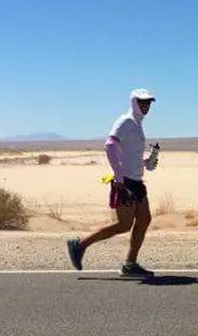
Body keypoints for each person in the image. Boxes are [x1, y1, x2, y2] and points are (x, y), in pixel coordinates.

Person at [66, 88, 158, 277]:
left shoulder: (137, 125)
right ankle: (80, 245)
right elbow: (110, 144)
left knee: (144, 219)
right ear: (134, 102)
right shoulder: (125, 121)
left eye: (148, 102)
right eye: (142, 102)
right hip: (125, 182)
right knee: (124, 224)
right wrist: (118, 175)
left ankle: (130, 264)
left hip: (136, 180)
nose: (146, 105)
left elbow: (129, 154)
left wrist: (147, 162)